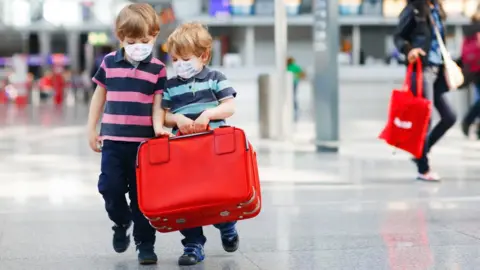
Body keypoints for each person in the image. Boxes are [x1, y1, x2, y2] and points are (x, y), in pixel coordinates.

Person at [86, 3, 171, 265]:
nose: (138, 45)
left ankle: (145, 244)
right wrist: (92, 128)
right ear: (120, 37)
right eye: (131, 40)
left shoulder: (158, 69)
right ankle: (121, 221)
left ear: (155, 36)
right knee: (109, 187)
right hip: (113, 141)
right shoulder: (109, 63)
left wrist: (160, 129)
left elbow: (159, 103)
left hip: (144, 146)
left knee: (142, 198)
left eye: (144, 40)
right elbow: (99, 95)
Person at [162, 22, 239, 266]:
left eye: (185, 58)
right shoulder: (171, 86)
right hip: (184, 154)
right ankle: (193, 243)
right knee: (186, 200)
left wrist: (208, 114)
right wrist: (177, 118)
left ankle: (227, 225)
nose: (179, 64)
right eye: (175, 59)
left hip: (214, 152)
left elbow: (230, 106)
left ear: (203, 55)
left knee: (218, 194)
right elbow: (163, 115)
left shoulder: (216, 78)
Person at [393, 0, 456, 181]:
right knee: (425, 119)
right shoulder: (413, 10)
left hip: (438, 70)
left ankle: (420, 152)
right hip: (422, 69)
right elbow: (398, 37)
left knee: (450, 116)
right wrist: (409, 50)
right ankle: (423, 168)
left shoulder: (436, 9)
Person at [461, 11, 480, 138]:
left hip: (473, 70)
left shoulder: (469, 30)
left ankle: (473, 125)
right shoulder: (477, 30)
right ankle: (468, 121)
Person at [286, 57, 305, 121]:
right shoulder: (296, 67)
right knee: (294, 95)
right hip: (295, 82)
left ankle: (292, 108)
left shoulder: (288, 67)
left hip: (289, 83)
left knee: (290, 96)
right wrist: (298, 78)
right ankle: (295, 108)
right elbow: (302, 74)